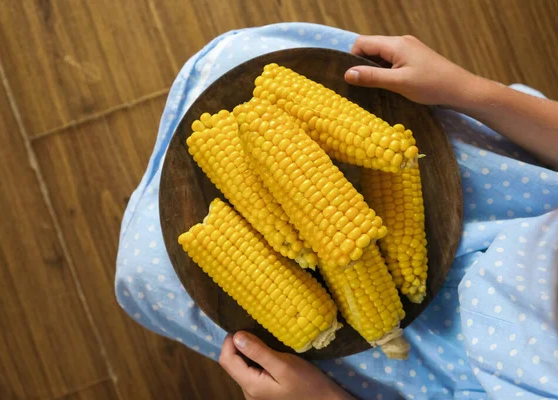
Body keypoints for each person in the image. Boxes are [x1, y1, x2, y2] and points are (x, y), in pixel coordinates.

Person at [217, 34, 558, 400]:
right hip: (516, 189)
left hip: (437, 358)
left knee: (147, 267)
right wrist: (464, 89)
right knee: (236, 54)